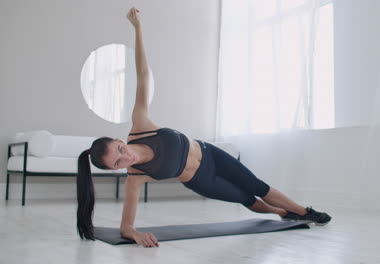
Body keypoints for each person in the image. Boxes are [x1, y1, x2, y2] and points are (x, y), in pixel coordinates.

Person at [76, 7, 331, 248]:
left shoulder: (140, 125)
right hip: (202, 180)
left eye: (120, 149)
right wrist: (134, 234)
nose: (126, 157)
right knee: (247, 199)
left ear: (119, 140)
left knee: (257, 185)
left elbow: (142, 75)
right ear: (117, 169)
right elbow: (126, 227)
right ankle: (282, 213)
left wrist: (138, 28)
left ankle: (305, 212)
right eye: (119, 163)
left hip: (210, 153)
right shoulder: (135, 176)